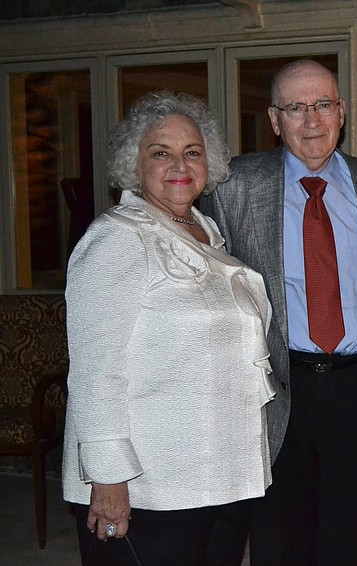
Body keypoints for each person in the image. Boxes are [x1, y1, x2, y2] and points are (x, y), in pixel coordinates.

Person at [200, 59, 357, 566]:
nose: (311, 121)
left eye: (322, 105)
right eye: (296, 108)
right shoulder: (234, 188)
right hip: (277, 389)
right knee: (281, 538)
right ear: (275, 120)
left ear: (341, 112)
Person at [62, 91, 275, 566]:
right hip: (152, 487)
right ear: (134, 165)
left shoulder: (206, 233)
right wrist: (108, 478)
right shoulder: (117, 239)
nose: (179, 164)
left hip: (219, 478)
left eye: (192, 152)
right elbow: (96, 373)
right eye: (161, 152)